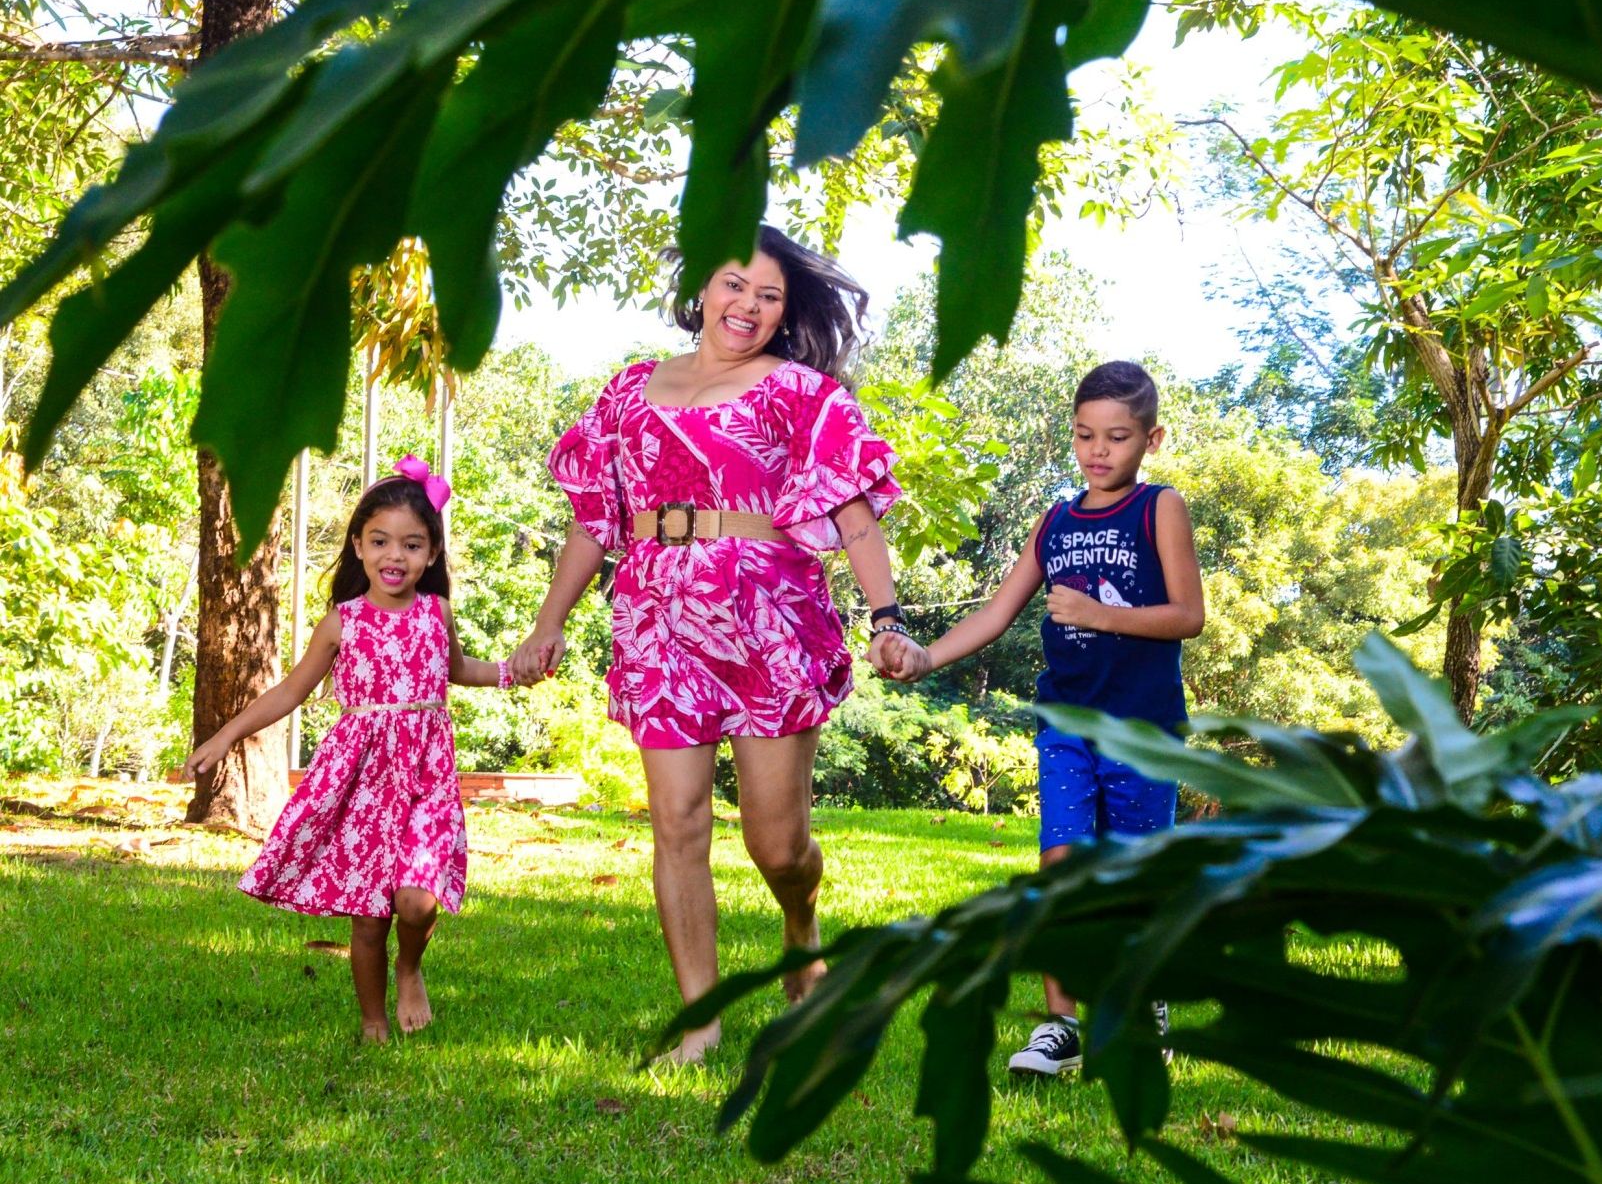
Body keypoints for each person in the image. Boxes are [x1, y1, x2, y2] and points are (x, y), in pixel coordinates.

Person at [512, 226, 907, 1064]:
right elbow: (596, 522)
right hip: (656, 613)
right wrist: (549, 621)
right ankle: (700, 1020)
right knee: (677, 821)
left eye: (769, 297)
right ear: (703, 287)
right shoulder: (627, 393)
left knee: (776, 841)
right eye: (735, 285)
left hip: (771, 616)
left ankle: (801, 926)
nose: (749, 307)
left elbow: (854, 515)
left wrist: (887, 617)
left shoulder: (803, 394)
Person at [887, 360, 1205, 1077]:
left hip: (1143, 730)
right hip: (1067, 723)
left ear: (1150, 440)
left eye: (1118, 438)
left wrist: (1100, 614)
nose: (1099, 451)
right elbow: (998, 614)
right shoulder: (1056, 520)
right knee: (1060, 863)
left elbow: (1189, 616)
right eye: (1085, 435)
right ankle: (1059, 1028)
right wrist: (926, 656)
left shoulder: (1160, 507)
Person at [184, 458, 519, 1043]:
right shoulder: (342, 622)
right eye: (381, 541)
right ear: (359, 547)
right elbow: (290, 691)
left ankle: (409, 967)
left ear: (432, 554)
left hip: (426, 775)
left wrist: (515, 673)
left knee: (417, 902)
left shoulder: (437, 614)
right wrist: (225, 734)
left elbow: (461, 670)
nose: (396, 556)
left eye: (412, 545)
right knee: (370, 916)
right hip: (362, 782)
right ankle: (373, 1021)